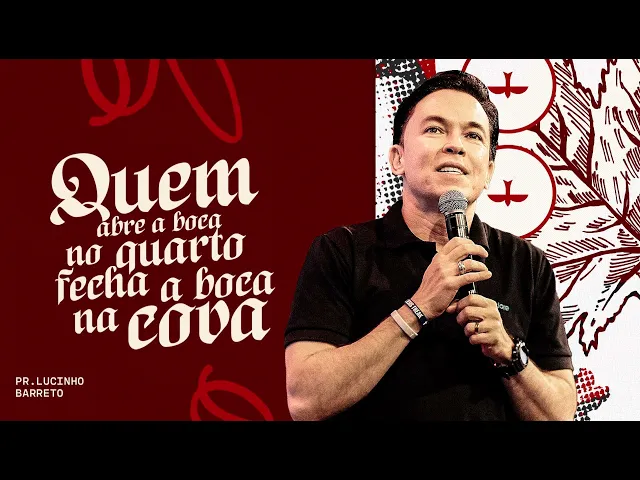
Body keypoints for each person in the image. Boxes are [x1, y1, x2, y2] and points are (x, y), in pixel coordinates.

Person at [283, 70, 577, 421]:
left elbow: (559, 414)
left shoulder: (526, 262)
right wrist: (418, 309)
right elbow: (306, 400)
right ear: (398, 158)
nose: (455, 145)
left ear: (488, 171)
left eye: (473, 135)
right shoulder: (342, 250)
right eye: (435, 129)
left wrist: (510, 353)